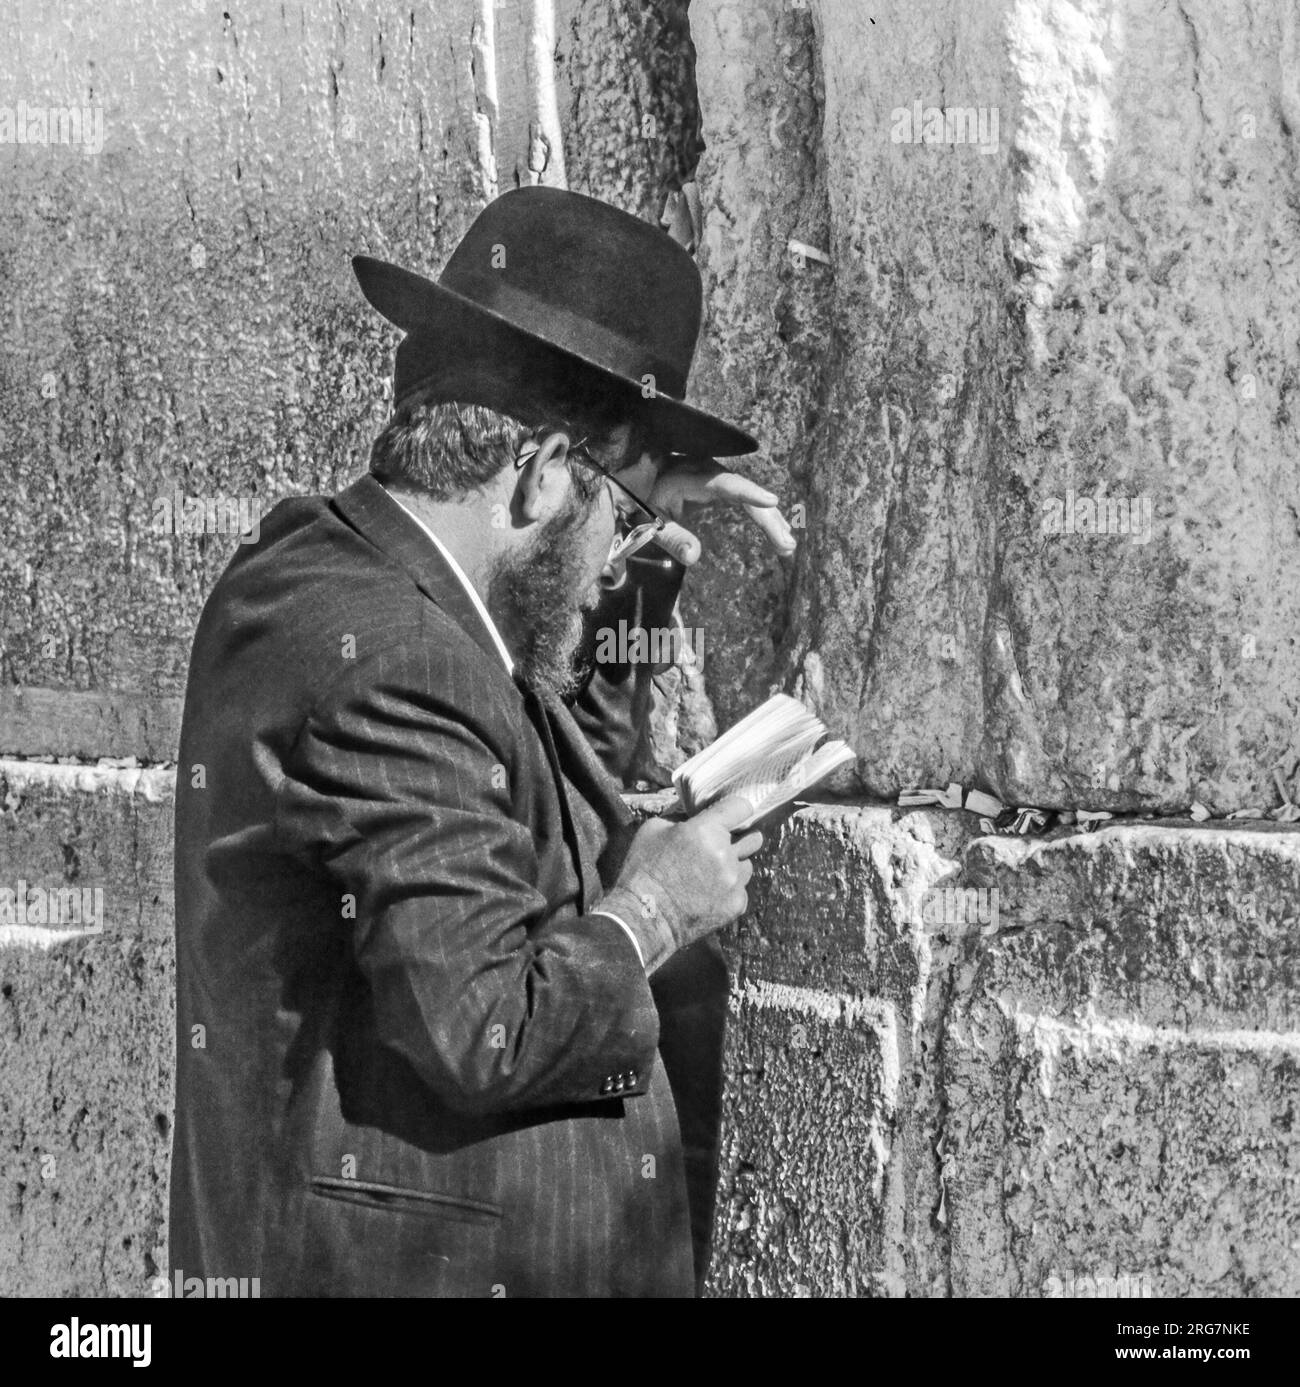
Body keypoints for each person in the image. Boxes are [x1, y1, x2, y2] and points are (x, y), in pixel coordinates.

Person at [169, 186, 795, 1297]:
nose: (623, 541)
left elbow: (548, 791)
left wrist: (643, 558)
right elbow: (485, 1025)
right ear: (544, 468)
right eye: (621, 511)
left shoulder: (336, 580)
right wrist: (658, 908)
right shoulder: (396, 659)